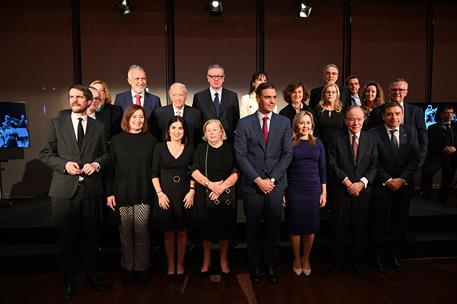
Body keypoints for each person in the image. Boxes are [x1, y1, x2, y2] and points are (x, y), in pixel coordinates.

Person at [40, 85, 109, 301]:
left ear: (90, 101)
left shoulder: (99, 127)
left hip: (91, 190)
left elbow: (106, 155)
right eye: (71, 97)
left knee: (91, 237)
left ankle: (92, 276)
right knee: (66, 240)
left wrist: (96, 165)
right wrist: (64, 165)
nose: (75, 100)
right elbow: (45, 153)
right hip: (63, 191)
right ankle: (68, 280)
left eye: (80, 97)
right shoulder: (56, 123)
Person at [234, 82, 293, 284]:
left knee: (273, 228)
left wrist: (272, 179)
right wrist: (258, 180)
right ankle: (254, 266)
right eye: (267, 97)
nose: (271, 101)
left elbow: (287, 155)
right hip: (252, 186)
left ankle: (270, 264)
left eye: (274, 97)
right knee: (252, 228)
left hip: (276, 186)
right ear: (258, 98)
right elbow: (241, 156)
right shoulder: (244, 123)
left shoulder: (284, 122)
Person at [105, 104, 157, 283]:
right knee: (125, 234)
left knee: (142, 233)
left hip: (143, 191)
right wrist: (109, 192)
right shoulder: (116, 140)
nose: (138, 120)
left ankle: (142, 268)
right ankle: (128, 268)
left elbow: (154, 169)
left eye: (141, 117)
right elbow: (110, 169)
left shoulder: (151, 140)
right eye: (134, 117)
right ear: (127, 119)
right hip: (121, 192)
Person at [369, 102, 421, 273]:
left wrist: (401, 179)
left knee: (399, 222)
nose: (394, 117)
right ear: (383, 116)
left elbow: (415, 158)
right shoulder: (372, 134)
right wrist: (389, 180)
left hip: (403, 185)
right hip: (381, 185)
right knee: (379, 222)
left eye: (397, 113)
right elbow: (373, 160)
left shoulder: (411, 132)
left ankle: (395, 255)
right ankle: (377, 256)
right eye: (390, 114)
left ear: (402, 115)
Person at [327, 106, 378, 275]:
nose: (355, 122)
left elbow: (374, 165)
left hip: (362, 192)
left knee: (360, 230)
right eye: (351, 119)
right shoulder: (335, 138)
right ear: (345, 120)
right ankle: (336, 264)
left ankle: (357, 263)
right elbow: (332, 164)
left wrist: (361, 184)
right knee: (338, 230)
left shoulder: (371, 139)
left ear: (364, 120)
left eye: (359, 119)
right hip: (341, 192)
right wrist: (349, 183)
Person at [191, 119, 239, 277]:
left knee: (225, 229)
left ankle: (223, 261)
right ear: (205, 134)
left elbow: (236, 171)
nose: (211, 133)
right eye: (208, 130)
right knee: (206, 230)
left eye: (214, 130)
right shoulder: (201, 148)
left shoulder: (230, 148)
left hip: (226, 194)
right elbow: (194, 171)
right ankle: (207, 261)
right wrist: (211, 185)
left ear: (221, 132)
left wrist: (221, 187)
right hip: (205, 192)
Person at [283, 111, 327, 277]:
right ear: (296, 124)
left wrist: (324, 192)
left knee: (311, 226)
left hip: (313, 189)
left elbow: (323, 169)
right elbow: (284, 170)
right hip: (294, 189)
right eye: (302, 123)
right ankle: (297, 259)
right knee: (295, 226)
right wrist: (283, 192)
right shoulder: (289, 142)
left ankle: (306, 258)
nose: (305, 126)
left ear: (312, 125)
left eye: (308, 123)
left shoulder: (318, 143)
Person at [151, 116, 195, 279]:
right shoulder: (159, 147)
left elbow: (193, 173)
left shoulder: (190, 148)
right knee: (168, 232)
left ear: (184, 131)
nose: (177, 131)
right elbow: (154, 174)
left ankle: (180, 265)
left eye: (180, 128)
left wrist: (192, 191)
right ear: (168, 130)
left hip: (185, 195)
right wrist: (160, 194)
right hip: (165, 195)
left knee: (182, 232)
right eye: (174, 128)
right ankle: (170, 265)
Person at [366, 78, 427, 163]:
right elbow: (369, 136)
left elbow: (422, 137)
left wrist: (420, 160)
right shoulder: (377, 111)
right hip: (383, 164)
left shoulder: (416, 111)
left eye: (401, 90)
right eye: (394, 90)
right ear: (389, 92)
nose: (397, 92)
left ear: (406, 92)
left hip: (410, 163)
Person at [192, 64, 240, 142]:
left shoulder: (232, 96)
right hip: (206, 141)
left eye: (219, 76)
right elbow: (197, 122)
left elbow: (236, 121)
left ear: (223, 78)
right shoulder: (199, 97)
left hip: (227, 142)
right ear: (208, 78)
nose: (216, 79)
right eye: (213, 76)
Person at [420, 105, 457, 204]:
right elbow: (429, 144)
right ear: (441, 114)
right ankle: (425, 198)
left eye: (451, 113)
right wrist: (442, 149)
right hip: (436, 157)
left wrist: (455, 149)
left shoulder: (456, 127)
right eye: (446, 113)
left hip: (452, 158)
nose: (449, 115)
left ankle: (442, 201)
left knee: (447, 180)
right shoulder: (432, 128)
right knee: (427, 175)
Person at [313, 83, 345, 149]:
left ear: (337, 94)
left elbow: (344, 130)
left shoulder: (342, 110)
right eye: (328, 92)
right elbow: (315, 129)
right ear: (324, 94)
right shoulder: (317, 109)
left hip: (338, 146)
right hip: (321, 144)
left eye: (333, 92)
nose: (330, 94)